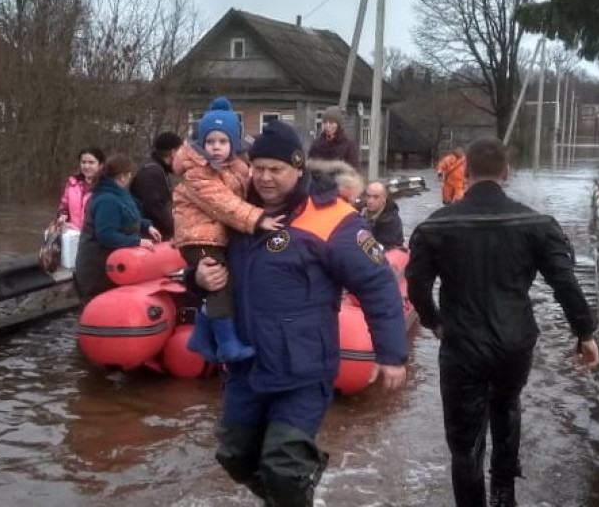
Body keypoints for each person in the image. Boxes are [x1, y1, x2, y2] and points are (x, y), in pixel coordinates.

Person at [189, 120, 408, 506]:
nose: (265, 178)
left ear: (298, 169)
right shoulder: (237, 213)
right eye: (258, 168)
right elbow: (202, 258)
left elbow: (377, 284)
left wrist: (391, 355)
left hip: (302, 368)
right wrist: (198, 277)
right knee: (234, 456)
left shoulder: (333, 219)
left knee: (283, 464)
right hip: (246, 367)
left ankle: (293, 487)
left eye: (276, 170)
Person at [405, 138, 599, 507]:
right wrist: (585, 333)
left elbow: (415, 285)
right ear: (506, 173)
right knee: (507, 404)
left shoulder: (437, 226)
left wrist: (434, 322)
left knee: (465, 440)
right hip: (514, 342)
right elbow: (565, 282)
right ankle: (504, 493)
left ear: (468, 171)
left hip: (461, 344)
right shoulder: (536, 223)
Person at [173, 97, 283, 363]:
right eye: (210, 142)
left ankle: (202, 334)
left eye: (222, 142)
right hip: (199, 236)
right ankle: (227, 342)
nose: (216, 148)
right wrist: (257, 218)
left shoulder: (235, 168)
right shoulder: (196, 173)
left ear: (233, 144)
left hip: (214, 235)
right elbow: (223, 202)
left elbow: (243, 186)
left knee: (224, 282)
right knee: (219, 282)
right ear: (201, 142)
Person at [72, 154, 162, 300]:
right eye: (129, 174)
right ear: (122, 176)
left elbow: (130, 217)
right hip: (97, 268)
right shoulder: (107, 199)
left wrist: (147, 227)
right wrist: (138, 242)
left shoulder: (121, 194)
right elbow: (106, 235)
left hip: (114, 263)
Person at [130, 131, 184, 240]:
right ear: (174, 152)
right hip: (151, 235)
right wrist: (176, 230)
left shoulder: (158, 170)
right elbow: (155, 209)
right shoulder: (151, 173)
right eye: (181, 152)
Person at [57, 147, 105, 231]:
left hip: (94, 238)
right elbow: (64, 205)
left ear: (100, 165)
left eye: (91, 163)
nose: (86, 166)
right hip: (72, 233)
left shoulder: (105, 187)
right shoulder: (72, 183)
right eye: (83, 162)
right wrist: (63, 215)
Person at [361, 181, 404, 250]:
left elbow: (385, 247)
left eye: (376, 197)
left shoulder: (391, 221)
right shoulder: (360, 212)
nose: (370, 201)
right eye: (368, 196)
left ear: (384, 199)